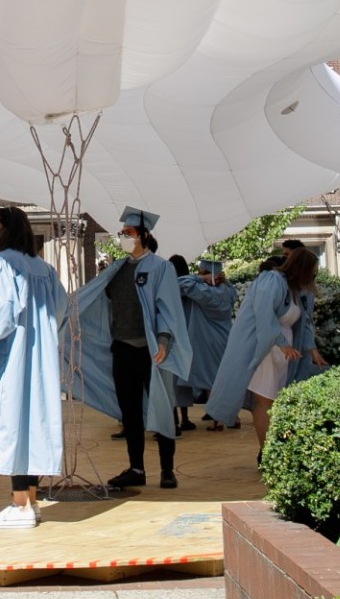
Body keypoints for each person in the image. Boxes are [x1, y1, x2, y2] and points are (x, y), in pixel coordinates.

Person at [67, 206, 192, 490]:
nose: (124, 237)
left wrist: (162, 340)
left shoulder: (161, 268)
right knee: (130, 411)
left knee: (162, 407)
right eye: (122, 233)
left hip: (152, 350)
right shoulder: (118, 269)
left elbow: (168, 308)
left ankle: (167, 470)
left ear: (144, 235)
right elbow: (98, 299)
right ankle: (136, 467)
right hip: (122, 348)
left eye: (129, 233)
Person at [0, 207, 63, 529]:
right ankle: (31, 501)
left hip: (14, 356)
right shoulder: (44, 268)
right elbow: (59, 309)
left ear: (5, 229)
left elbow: (2, 313)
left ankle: (19, 506)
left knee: (13, 423)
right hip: (39, 357)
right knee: (32, 424)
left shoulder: (1, 263)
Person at [205, 247, 325, 454]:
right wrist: (281, 343)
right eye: (312, 271)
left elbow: (304, 322)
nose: (314, 276)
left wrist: (310, 348)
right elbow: (264, 314)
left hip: (282, 351)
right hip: (266, 347)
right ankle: (267, 453)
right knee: (264, 400)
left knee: (275, 399)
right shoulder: (272, 280)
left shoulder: (295, 289)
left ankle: (272, 450)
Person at [177, 256, 236, 431]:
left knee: (212, 380)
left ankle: (218, 418)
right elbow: (231, 286)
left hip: (209, 341)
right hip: (226, 337)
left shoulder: (205, 292)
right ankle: (234, 417)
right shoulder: (227, 291)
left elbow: (180, 283)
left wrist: (200, 278)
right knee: (223, 378)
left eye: (202, 272)